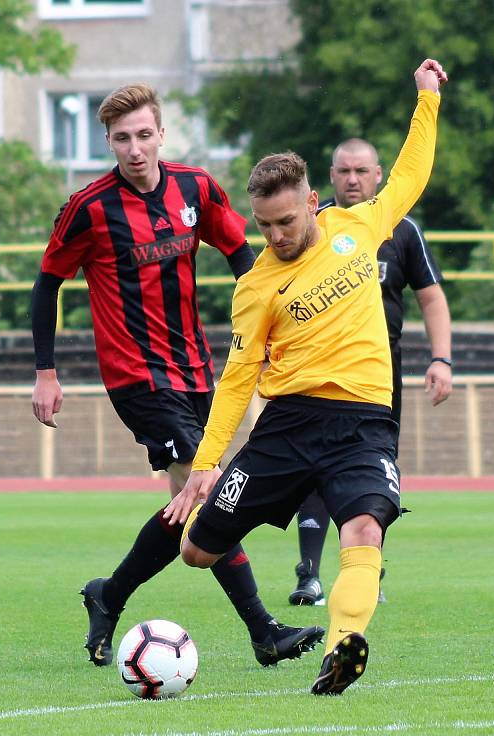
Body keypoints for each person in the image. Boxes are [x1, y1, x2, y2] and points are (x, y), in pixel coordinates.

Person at [165, 59, 447, 695]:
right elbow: (237, 377)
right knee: (195, 550)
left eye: (285, 222)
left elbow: (411, 173)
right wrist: (207, 463)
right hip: (286, 428)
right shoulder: (256, 285)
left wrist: (426, 99)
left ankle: (344, 647)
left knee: (366, 526)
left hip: (364, 424)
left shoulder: (361, 226)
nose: (275, 236)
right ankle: (269, 616)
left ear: (313, 201)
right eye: (263, 225)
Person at [30, 83, 323, 669]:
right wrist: (46, 371)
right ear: (107, 142)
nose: (134, 149)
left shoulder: (196, 188)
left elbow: (242, 252)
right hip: (136, 377)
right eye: (121, 139)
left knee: (190, 506)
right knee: (206, 489)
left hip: (197, 371)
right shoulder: (89, 208)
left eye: (144, 135)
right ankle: (264, 631)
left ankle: (108, 595)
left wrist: (269, 320)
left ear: (161, 134)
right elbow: (47, 282)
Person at [289, 137, 453, 607]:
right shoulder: (312, 227)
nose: (353, 179)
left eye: (362, 171)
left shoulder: (400, 230)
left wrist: (440, 359)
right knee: (313, 466)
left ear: (379, 175)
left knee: (372, 472)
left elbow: (432, 298)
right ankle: (309, 575)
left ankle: (366, 573)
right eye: (344, 171)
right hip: (320, 369)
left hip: (381, 374)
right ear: (331, 175)